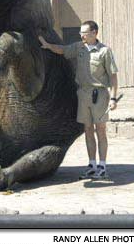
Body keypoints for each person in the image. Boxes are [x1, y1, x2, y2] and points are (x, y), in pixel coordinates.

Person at [39, 20, 118, 179]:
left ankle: (102, 166)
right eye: (81, 32)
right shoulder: (78, 47)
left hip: (99, 94)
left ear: (94, 33)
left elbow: (113, 77)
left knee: (100, 130)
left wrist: (114, 98)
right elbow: (63, 50)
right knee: (88, 130)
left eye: (84, 32)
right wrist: (48, 45)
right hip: (83, 94)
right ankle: (92, 165)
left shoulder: (105, 51)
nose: (81, 35)